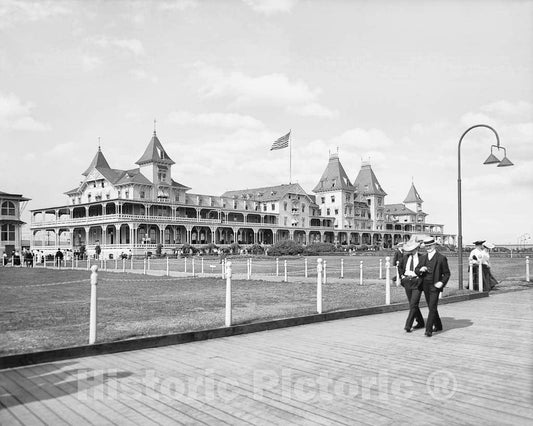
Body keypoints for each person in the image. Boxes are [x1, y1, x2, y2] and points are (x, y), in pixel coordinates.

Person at [415, 237, 450, 337]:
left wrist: (441, 283)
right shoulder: (423, 258)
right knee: (431, 306)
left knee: (432, 306)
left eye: (430, 246)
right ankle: (438, 325)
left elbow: (447, 274)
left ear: (434, 245)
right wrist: (420, 269)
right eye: (426, 246)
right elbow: (416, 270)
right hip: (425, 285)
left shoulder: (441, 258)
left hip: (435, 286)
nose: (428, 248)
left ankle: (428, 330)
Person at [398, 240, 424, 332]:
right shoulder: (405, 257)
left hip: (417, 282)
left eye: (412, 248)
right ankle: (420, 321)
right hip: (407, 281)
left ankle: (408, 325)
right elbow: (400, 267)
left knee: (413, 304)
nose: (410, 250)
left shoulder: (422, 258)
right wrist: (402, 276)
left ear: (417, 248)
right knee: (413, 304)